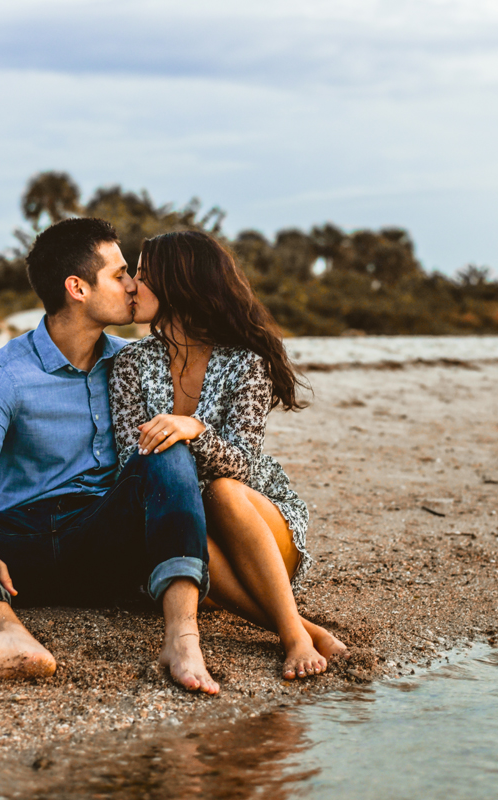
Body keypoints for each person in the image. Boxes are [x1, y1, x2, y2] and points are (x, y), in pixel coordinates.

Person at [0, 218, 219, 694]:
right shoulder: (7, 373)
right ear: (77, 288)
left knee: (167, 452)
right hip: (21, 554)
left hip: (106, 542)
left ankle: (182, 638)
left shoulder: (132, 362)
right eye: (120, 274)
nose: (134, 286)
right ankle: (11, 636)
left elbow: (171, 472)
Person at [110, 230, 348, 681]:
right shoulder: (130, 363)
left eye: (141, 275)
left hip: (255, 529)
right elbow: (132, 459)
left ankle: (295, 638)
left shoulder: (245, 361)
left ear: (177, 283)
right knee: (186, 516)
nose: (130, 286)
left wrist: (194, 430)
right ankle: (299, 627)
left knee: (221, 490)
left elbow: (243, 463)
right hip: (183, 537)